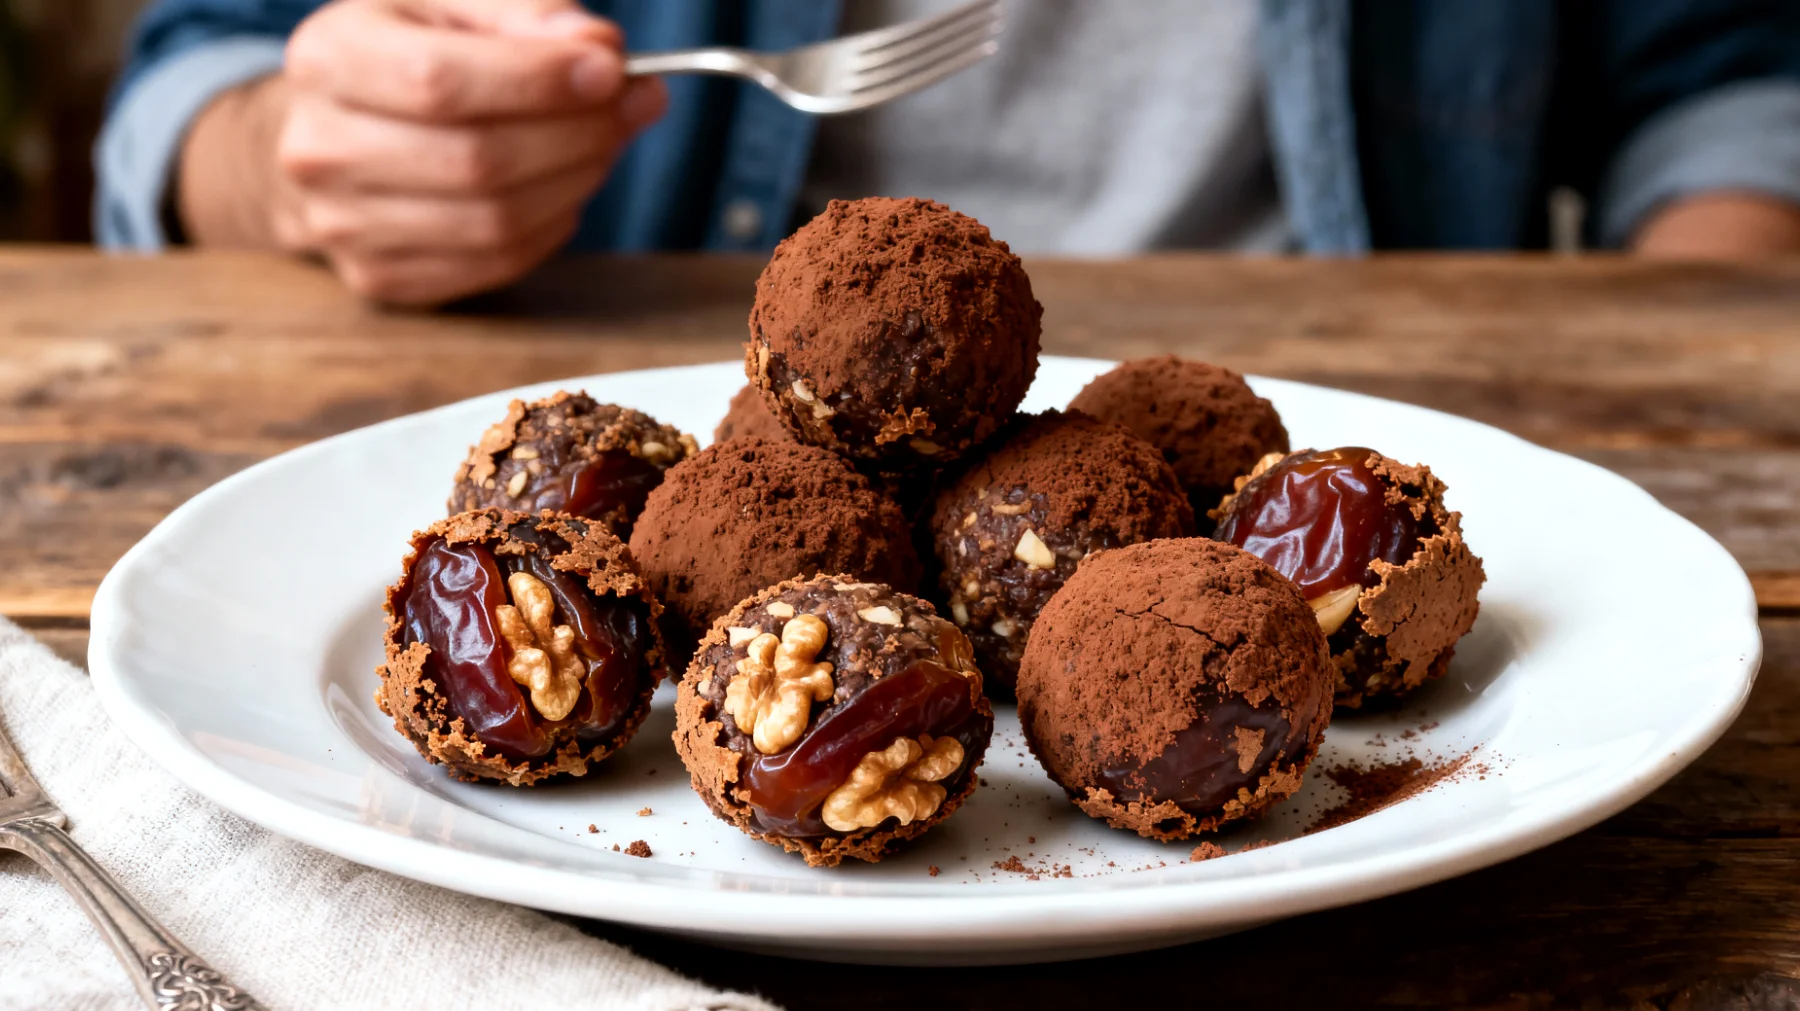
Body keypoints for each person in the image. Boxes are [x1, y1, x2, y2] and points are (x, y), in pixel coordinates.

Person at [97, 0, 1800, 307]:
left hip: (1333, 428)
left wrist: (1680, 354)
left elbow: (1726, 87)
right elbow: (203, 75)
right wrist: (294, 149)